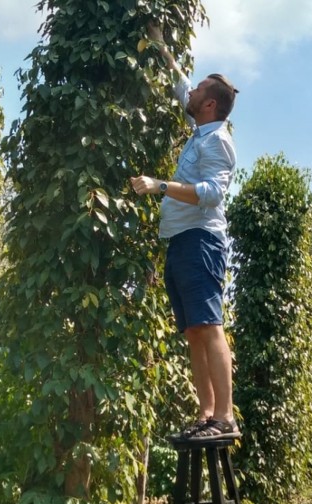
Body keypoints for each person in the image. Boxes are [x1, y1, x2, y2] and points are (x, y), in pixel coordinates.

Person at [130, 25, 239, 440]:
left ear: (209, 104)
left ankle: (225, 417)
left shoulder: (218, 143)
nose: (188, 93)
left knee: (209, 325)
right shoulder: (201, 132)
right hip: (180, 240)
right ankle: (206, 413)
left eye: (197, 92)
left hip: (201, 239)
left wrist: (160, 185)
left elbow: (212, 194)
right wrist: (161, 45)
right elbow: (180, 86)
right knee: (193, 329)